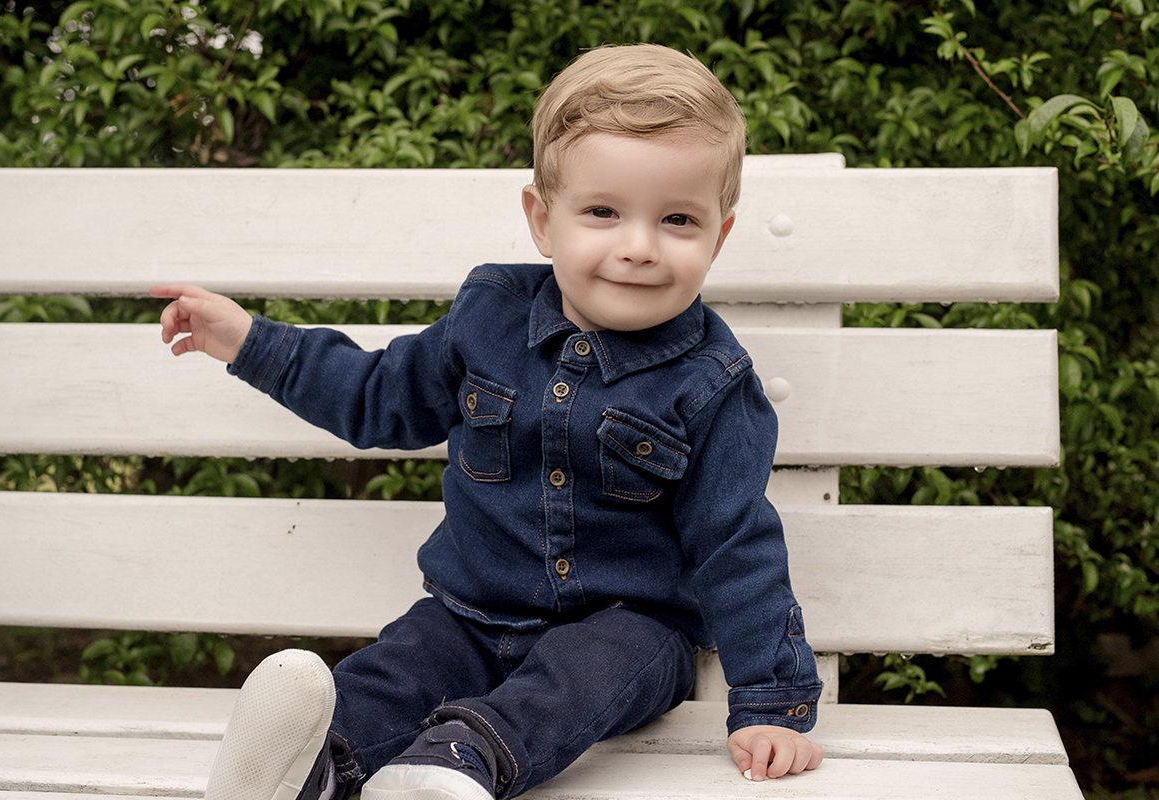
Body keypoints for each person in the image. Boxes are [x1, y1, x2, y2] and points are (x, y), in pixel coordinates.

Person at [152, 42, 824, 800]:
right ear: (543, 220)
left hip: (631, 629)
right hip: (468, 614)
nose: (638, 248)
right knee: (398, 669)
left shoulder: (713, 383)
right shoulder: (490, 318)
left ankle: (453, 768)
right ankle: (305, 769)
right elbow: (378, 395)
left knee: (576, 678)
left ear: (718, 237)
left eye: (677, 220)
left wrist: (773, 704)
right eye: (602, 212)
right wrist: (249, 342)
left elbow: (737, 544)